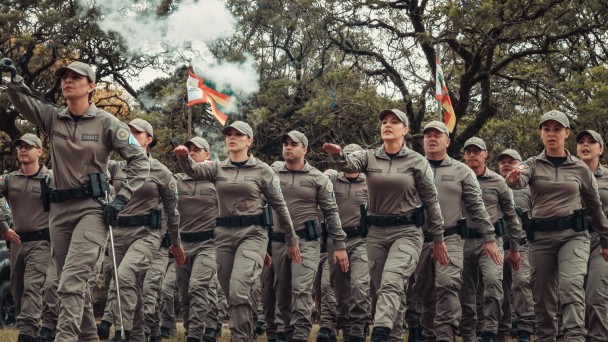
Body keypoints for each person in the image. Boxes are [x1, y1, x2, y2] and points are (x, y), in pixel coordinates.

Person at [3, 59, 150, 341]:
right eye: (64, 77)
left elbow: (140, 162)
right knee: (73, 287)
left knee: (70, 283)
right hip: (58, 212)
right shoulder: (53, 117)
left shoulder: (108, 123)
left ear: (91, 86)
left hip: (92, 210)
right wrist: (13, 80)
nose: (67, 81)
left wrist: (121, 200)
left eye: (75, 77)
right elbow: (24, 103)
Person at [323, 109, 448, 342]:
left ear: (405, 130)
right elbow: (349, 165)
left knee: (392, 282)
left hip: (407, 233)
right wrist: (339, 154)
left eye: (394, 122)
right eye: (384, 122)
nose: (387, 125)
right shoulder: (369, 156)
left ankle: (380, 332)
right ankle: (394, 337)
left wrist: (438, 238)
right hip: (376, 234)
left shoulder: (417, 161)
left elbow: (432, 201)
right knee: (388, 291)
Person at [173, 120, 301, 342]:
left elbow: (280, 206)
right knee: (231, 292)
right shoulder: (216, 168)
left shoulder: (263, 170)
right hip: (223, 236)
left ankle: (240, 337)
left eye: (238, 135)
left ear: (249, 141)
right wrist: (183, 157)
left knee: (237, 290)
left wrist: (291, 239)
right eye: (229, 134)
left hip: (253, 234)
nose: (232, 137)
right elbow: (192, 171)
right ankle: (247, 329)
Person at [505, 110, 608, 342]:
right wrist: (513, 179)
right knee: (542, 298)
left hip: (573, 236)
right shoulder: (531, 163)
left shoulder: (580, 169)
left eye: (557, 129)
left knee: (571, 286)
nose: (552, 134)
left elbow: (595, 208)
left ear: (566, 133)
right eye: (547, 129)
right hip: (540, 238)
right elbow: (519, 178)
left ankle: (574, 337)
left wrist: (605, 240)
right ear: (541, 134)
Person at [414, 122, 502, 342]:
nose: (432, 139)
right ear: (423, 141)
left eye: (437, 135)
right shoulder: (412, 166)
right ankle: (429, 334)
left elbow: (476, 207)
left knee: (447, 285)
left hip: (450, 237)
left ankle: (446, 335)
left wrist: (489, 237)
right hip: (418, 238)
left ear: (448, 141)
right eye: (428, 136)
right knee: (424, 292)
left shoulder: (461, 171)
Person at [99, 118, 184, 341]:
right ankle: (138, 336)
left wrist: (175, 243)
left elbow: (173, 211)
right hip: (117, 235)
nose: (130, 135)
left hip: (146, 235)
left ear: (149, 139)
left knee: (124, 276)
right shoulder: (117, 167)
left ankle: (122, 332)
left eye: (136, 133)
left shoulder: (161, 172)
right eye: (128, 132)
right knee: (121, 285)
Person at [272, 130, 348, 342]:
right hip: (278, 241)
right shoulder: (273, 174)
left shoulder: (317, 178)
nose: (288, 147)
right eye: (285, 143)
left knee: (301, 289)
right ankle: (285, 332)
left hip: (306, 241)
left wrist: (340, 245)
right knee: (282, 291)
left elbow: (332, 212)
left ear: (304, 149)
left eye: (293, 144)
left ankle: (300, 334)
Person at [459, 137, 521, 342]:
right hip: (461, 240)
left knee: (494, 284)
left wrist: (514, 247)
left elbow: (511, 216)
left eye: (476, 151)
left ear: (485, 154)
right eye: (468, 152)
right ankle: (468, 334)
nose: (472, 155)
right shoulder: (457, 176)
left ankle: (490, 331)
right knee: (465, 292)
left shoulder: (498, 181)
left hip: (492, 242)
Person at [0, 134, 52, 342]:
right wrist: (3, 226)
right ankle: (36, 326)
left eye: (28, 146)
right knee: (17, 289)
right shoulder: (10, 179)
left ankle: (28, 334)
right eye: (20, 146)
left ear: (40, 151)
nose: (22, 150)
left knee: (33, 285)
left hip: (43, 242)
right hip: (17, 242)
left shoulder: (51, 179)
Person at [174, 136, 220, 342]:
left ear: (207, 155)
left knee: (198, 286)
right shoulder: (176, 180)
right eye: (189, 150)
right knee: (184, 295)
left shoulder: (217, 180)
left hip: (209, 244)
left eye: (197, 150)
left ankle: (197, 334)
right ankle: (192, 328)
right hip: (183, 243)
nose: (192, 153)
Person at [324, 145, 371, 342]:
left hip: (362, 240)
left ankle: (358, 328)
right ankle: (344, 327)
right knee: (339, 289)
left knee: (360, 285)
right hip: (336, 240)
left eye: (355, 156)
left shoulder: (370, 182)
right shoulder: (333, 180)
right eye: (348, 155)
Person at [495, 149, 534, 342]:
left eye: (511, 161)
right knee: (498, 288)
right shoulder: (491, 185)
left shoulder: (529, 187)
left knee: (521, 284)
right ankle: (503, 328)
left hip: (523, 245)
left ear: (520, 164)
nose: (506, 164)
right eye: (503, 162)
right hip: (497, 245)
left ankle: (525, 329)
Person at [575, 130, 608, 342]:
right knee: (573, 296)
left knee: (596, 295)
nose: (585, 146)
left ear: (601, 149)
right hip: (572, 239)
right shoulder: (568, 173)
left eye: (591, 142)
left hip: (601, 241)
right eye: (581, 142)